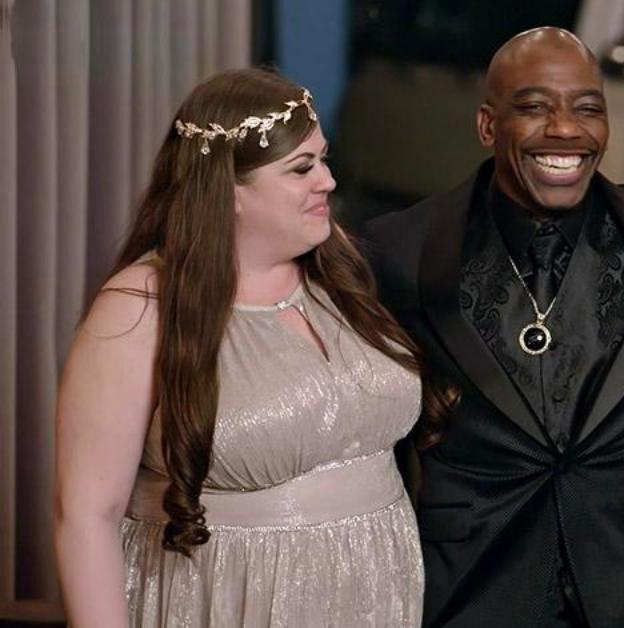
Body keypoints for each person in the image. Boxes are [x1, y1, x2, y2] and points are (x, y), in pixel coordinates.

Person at [54, 68, 428, 627]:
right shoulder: (140, 305)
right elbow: (86, 513)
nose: (327, 181)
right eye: (301, 169)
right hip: (227, 597)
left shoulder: (339, 271)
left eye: (323, 159)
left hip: (376, 592)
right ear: (227, 191)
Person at [362, 27, 624, 628]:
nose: (566, 129)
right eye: (535, 107)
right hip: (468, 585)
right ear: (488, 127)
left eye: (587, 108)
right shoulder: (398, 250)